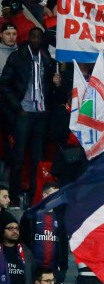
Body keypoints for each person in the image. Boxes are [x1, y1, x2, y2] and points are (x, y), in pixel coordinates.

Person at [0, 27, 64, 206]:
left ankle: (35, 197)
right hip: (24, 112)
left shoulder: (46, 58)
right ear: (29, 38)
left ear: (42, 40)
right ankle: (13, 198)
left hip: (41, 114)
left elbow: (50, 86)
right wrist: (17, 107)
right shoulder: (17, 56)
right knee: (18, 158)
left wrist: (56, 82)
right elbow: (4, 84)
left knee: (37, 159)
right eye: (33, 37)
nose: (36, 40)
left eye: (39, 37)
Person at [20, 182, 67, 284]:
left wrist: (63, 270)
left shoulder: (60, 218)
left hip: (54, 271)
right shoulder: (30, 215)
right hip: (33, 270)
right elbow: (23, 240)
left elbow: (64, 245)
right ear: (45, 195)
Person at [0, 211, 36, 284]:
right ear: (2, 230)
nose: (15, 231)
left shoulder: (25, 252)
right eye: (10, 228)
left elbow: (33, 275)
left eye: (17, 228)